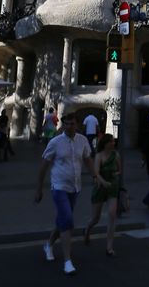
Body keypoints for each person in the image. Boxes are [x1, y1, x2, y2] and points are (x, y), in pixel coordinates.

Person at [35, 113, 96, 275]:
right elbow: (44, 166)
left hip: (75, 187)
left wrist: (95, 175)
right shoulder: (55, 143)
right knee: (67, 220)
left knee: (63, 219)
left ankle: (48, 245)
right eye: (67, 124)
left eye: (72, 124)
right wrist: (39, 189)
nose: (69, 126)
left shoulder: (83, 140)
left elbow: (88, 159)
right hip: (59, 187)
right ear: (63, 125)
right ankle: (67, 261)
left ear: (77, 124)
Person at [83, 133, 121, 256]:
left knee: (112, 215)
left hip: (112, 187)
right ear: (105, 144)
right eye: (111, 141)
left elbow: (120, 169)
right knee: (96, 218)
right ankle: (87, 230)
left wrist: (116, 174)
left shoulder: (116, 155)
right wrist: (103, 182)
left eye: (113, 142)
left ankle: (109, 247)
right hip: (100, 187)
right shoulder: (99, 156)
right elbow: (96, 172)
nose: (113, 143)